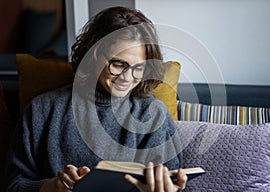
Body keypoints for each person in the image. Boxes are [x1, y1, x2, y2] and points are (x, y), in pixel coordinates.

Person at [5, 6, 187, 192]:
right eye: (118, 64)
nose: (127, 77)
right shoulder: (42, 110)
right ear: (93, 54)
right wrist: (52, 186)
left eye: (139, 68)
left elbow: (175, 185)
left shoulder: (153, 114)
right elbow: (13, 185)